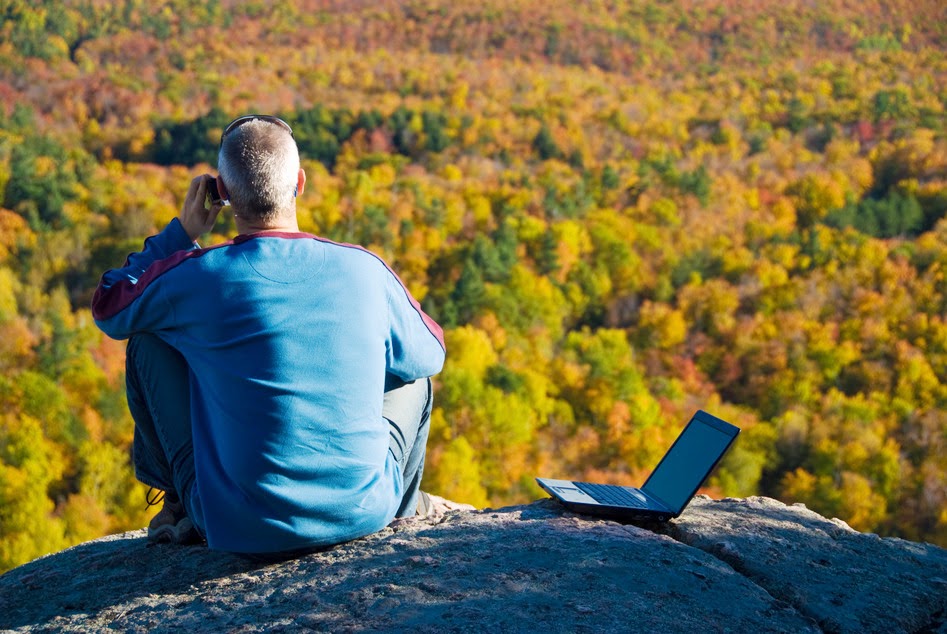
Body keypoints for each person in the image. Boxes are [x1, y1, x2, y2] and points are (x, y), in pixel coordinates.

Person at [91, 114, 446, 555]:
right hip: (362, 512)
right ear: (299, 183)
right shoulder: (364, 269)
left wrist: (181, 234)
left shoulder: (196, 276)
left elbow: (109, 306)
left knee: (146, 341)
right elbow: (431, 353)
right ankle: (401, 516)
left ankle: (179, 508)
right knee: (415, 375)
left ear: (220, 193)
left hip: (233, 523)